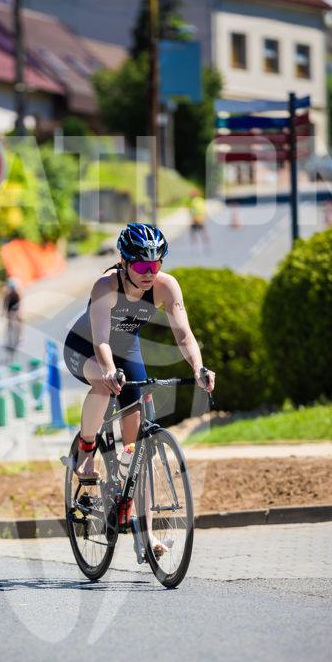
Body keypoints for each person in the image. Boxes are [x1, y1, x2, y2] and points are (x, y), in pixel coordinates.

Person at [64, 223, 215, 554]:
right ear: (124, 262)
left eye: (156, 264)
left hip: (127, 350)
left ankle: (145, 538)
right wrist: (109, 371)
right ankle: (86, 450)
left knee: (137, 453)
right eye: (142, 266)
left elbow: (184, 334)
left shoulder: (166, 287)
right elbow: (100, 339)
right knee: (104, 385)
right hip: (86, 348)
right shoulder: (106, 285)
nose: (150, 273)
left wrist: (198, 368)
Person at [2, 277, 22, 357]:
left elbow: (19, 305)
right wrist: (5, 312)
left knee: (20, 321)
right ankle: (9, 339)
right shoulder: (7, 294)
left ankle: (19, 337)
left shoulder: (17, 294)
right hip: (9, 309)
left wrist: (17, 313)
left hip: (15, 309)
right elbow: (4, 304)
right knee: (9, 323)